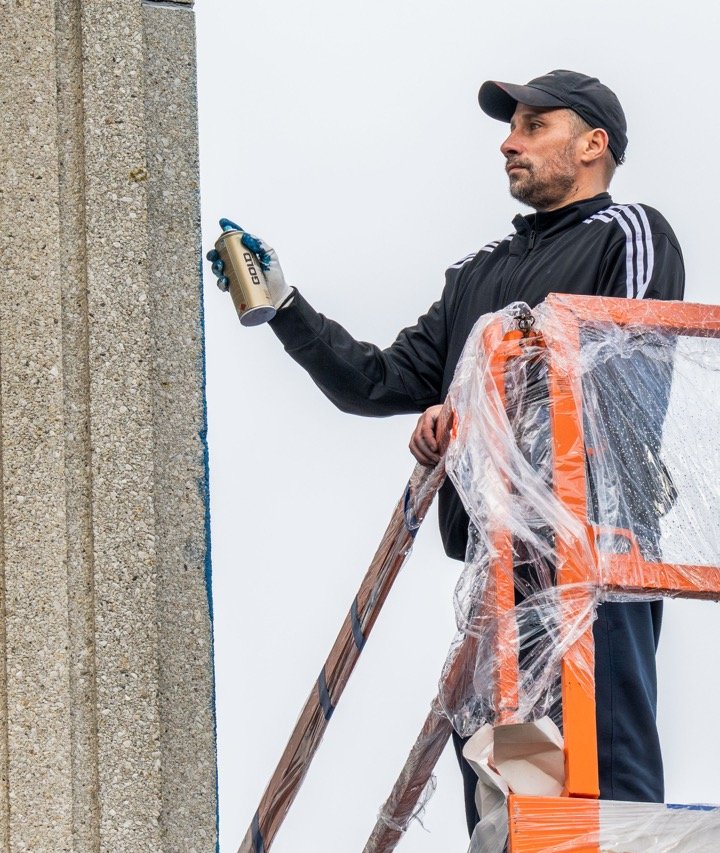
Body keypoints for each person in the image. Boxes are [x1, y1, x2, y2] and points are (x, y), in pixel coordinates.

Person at [207, 70, 683, 834]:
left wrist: (475, 410)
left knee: (609, 778)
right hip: (503, 569)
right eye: (511, 127)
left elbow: (623, 364)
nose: (509, 141)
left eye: (533, 126)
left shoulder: (628, 233)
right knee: (511, 795)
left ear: (593, 144)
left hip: (596, 549)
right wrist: (285, 306)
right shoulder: (479, 275)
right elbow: (377, 381)